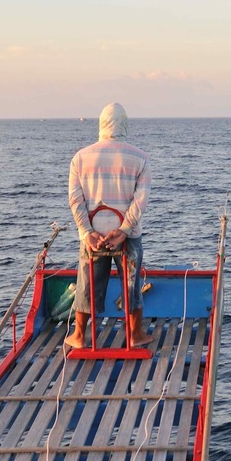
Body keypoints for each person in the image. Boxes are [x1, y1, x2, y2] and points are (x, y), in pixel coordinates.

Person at [64, 102, 154, 348]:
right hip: (128, 235)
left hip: (93, 234)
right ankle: (135, 335)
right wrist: (123, 230)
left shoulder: (80, 158)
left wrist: (87, 232)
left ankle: (79, 335)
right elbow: (140, 200)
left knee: (87, 282)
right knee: (132, 283)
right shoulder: (140, 158)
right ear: (124, 125)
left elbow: (75, 200)